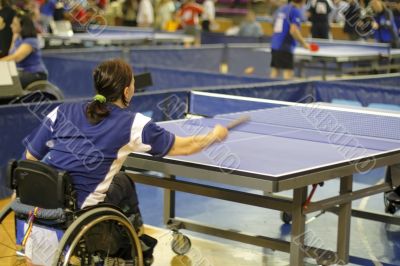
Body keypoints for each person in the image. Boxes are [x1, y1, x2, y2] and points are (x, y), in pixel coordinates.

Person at [22, 58, 229, 265]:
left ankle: (132, 233)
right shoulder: (133, 124)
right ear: (126, 91)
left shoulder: (61, 111)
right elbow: (183, 147)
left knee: (122, 180)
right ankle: (135, 244)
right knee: (123, 183)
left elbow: (29, 158)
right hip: (78, 213)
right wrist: (214, 136)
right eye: (133, 84)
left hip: (40, 205)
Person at [0, 13, 48, 88]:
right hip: (20, 72)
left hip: (35, 74)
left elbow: (16, 57)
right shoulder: (17, 38)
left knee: (5, 81)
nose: (11, 26)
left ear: (23, 26)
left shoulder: (31, 41)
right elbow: (10, 55)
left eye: (14, 24)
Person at [270, 0, 310, 80]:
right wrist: (304, 43)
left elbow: (273, 23)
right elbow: (294, 30)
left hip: (275, 43)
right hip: (285, 45)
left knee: (274, 73)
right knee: (288, 75)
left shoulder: (283, 8)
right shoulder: (295, 11)